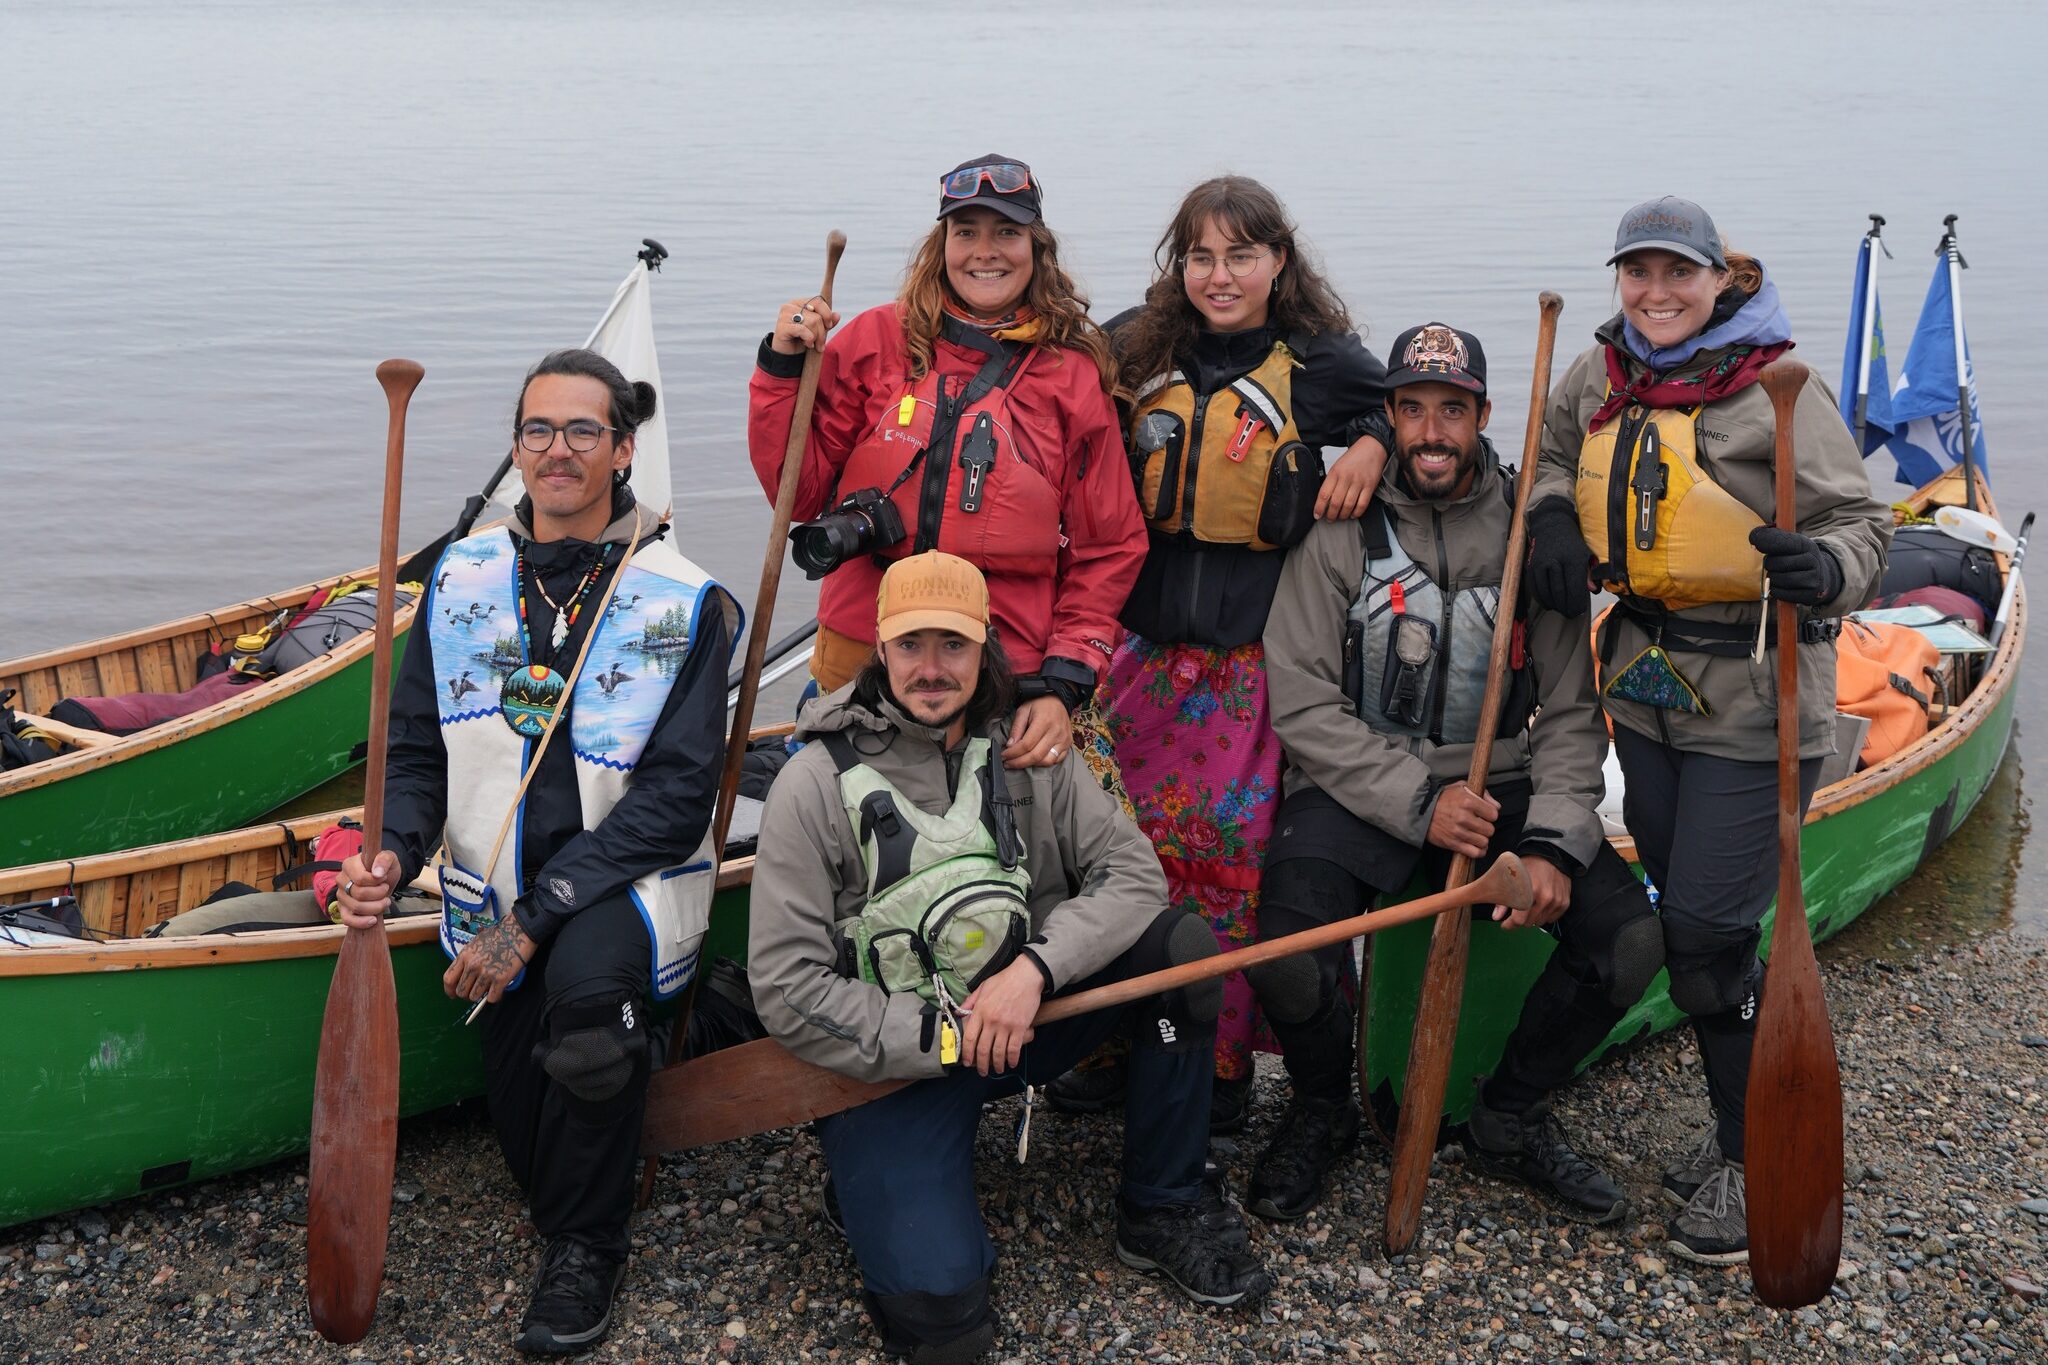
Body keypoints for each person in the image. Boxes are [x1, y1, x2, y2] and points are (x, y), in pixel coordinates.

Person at [748, 550, 1270, 1364]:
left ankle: (1162, 1201)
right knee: (942, 1327)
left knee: (1179, 953)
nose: (931, 667)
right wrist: (945, 1034)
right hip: (895, 1059)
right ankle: (870, 1175)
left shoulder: (1025, 750)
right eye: (910, 644)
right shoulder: (811, 785)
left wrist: (1032, 973)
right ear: (877, 650)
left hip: (1029, 1019)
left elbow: (1132, 873)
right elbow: (785, 986)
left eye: (952, 645)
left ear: (984, 646)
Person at [335, 349, 739, 1354]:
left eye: (581, 432)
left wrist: (538, 917)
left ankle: (584, 1251)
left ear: (622, 448)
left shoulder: (682, 601)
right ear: (515, 448)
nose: (557, 452)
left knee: (593, 1037)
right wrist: (388, 849)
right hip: (489, 889)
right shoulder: (461, 579)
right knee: (529, 1140)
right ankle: (693, 1027)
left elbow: (679, 799)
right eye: (537, 432)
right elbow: (416, 754)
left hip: (622, 884)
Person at [1523, 198, 1891, 1264]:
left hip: (1755, 691)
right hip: (1641, 685)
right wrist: (1551, 512)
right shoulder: (1599, 374)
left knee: (1706, 936)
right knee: (1689, 923)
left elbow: (1858, 524)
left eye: (1674, 274)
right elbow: (1552, 455)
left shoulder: (1775, 385)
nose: (1654, 294)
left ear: (1715, 280)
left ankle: (1745, 1159)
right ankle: (1733, 1121)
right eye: (1635, 274)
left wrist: (1826, 569)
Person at [1248, 322, 1661, 1224]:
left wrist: (1554, 839)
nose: (1431, 431)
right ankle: (1323, 1109)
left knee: (1630, 943)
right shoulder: (1339, 529)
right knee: (1285, 953)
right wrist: (1418, 802)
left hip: (1502, 785)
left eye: (1452, 410)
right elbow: (1306, 703)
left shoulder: (1530, 539)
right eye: (1411, 410)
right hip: (1362, 785)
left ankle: (1509, 1112)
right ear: (1388, 416)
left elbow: (1571, 713)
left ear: (1482, 415)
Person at [1050, 175, 1394, 1130]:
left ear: (1279, 261)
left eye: (1241, 254)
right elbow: (1046, 386)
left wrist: (1369, 444)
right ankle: (1118, 1039)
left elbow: (1415, 412)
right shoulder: (1134, 345)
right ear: (1179, 264)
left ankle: (1224, 1063)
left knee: (1229, 870)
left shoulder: (1321, 362)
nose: (1220, 275)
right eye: (1200, 255)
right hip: (1137, 656)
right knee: (1124, 855)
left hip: (1247, 669)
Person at [747, 154, 1144, 780]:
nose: (985, 252)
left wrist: (1064, 680)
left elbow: (1109, 546)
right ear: (943, 244)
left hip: (1002, 670)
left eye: (1006, 233)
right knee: (836, 845)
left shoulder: (1071, 375)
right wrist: (781, 369)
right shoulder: (873, 340)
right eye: (967, 232)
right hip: (861, 653)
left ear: (1036, 248)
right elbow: (798, 496)